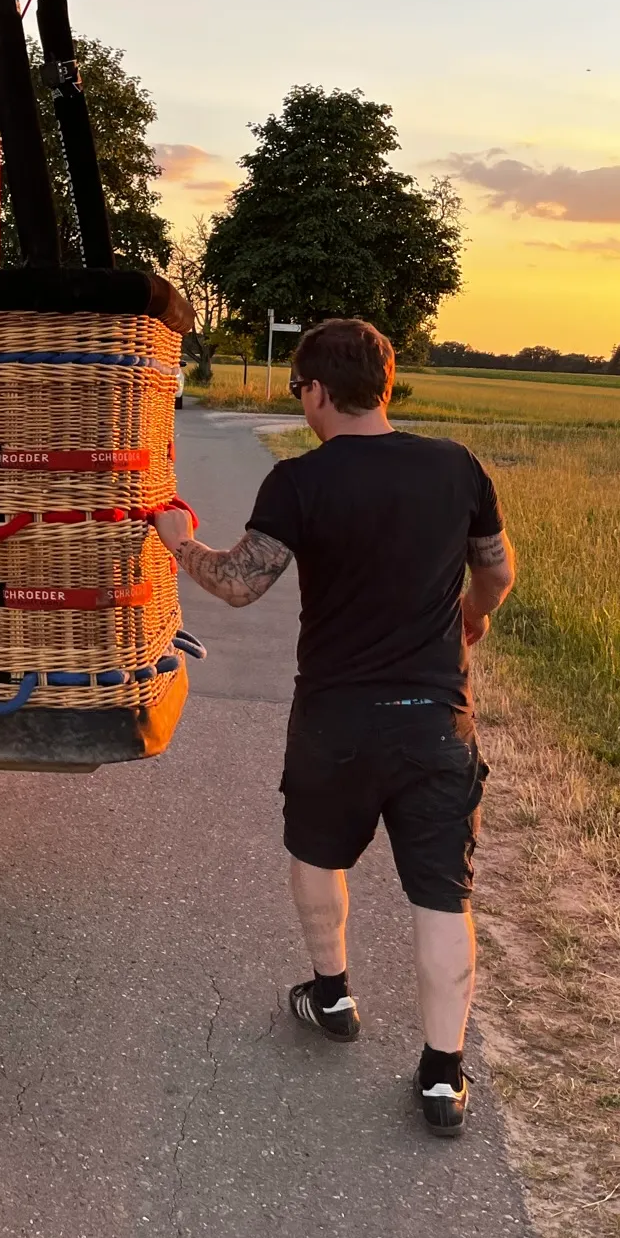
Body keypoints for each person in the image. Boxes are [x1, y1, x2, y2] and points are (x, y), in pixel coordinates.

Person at [151, 317, 515, 1137]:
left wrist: (182, 543)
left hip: (335, 721)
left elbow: (241, 583)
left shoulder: (301, 482)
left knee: (318, 856)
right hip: (434, 723)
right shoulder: (456, 467)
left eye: (301, 392)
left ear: (315, 391)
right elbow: (496, 567)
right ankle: (442, 1077)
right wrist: (473, 617)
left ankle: (333, 991)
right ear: (384, 386)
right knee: (441, 897)